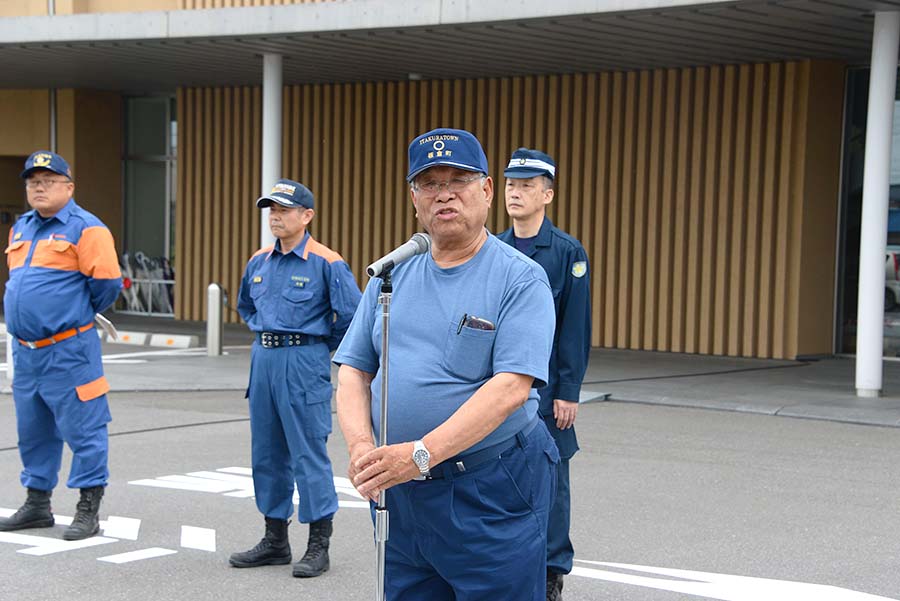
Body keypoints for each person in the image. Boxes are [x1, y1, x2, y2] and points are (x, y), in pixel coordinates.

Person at [333, 128, 559, 601]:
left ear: (487, 190)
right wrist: (361, 448)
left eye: (459, 178)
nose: (445, 193)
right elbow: (354, 369)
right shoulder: (391, 275)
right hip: (401, 491)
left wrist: (420, 453)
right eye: (430, 183)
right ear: (414, 197)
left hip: (488, 487)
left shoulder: (519, 278)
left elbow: (512, 387)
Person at [230, 178, 361, 578]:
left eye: (284, 210)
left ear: (307, 216)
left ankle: (318, 543)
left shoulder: (326, 261)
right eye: (271, 209)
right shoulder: (259, 260)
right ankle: (275, 540)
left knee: (308, 453)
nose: (275, 216)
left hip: (304, 359)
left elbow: (353, 317)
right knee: (267, 454)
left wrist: (317, 348)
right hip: (264, 358)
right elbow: (245, 306)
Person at [0, 151, 122, 541]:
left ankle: (89, 507)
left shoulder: (88, 229)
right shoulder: (21, 227)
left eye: (48, 180)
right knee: (34, 429)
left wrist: (71, 315)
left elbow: (105, 286)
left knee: (85, 428)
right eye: (33, 181)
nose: (38, 186)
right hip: (26, 350)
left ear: (68, 187)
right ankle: (37, 504)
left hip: (69, 349)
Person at [497, 148, 591, 601]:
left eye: (527, 186)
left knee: (552, 482)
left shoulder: (567, 252)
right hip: (497, 385)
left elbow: (575, 327)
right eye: (511, 185)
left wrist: (569, 390)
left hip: (548, 387)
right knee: (498, 471)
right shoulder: (490, 248)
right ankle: (511, 564)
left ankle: (552, 572)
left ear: (547, 194)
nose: (516, 193)